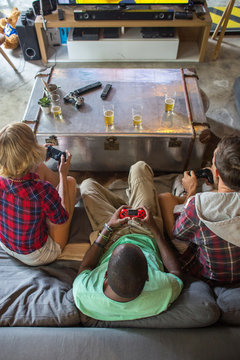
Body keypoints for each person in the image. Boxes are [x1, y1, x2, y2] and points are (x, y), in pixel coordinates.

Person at [73, 161, 183, 322]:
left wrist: (109, 227)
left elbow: (85, 266)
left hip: (111, 237)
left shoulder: (83, 293)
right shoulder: (163, 292)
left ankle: (124, 209)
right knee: (139, 167)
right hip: (147, 231)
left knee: (87, 185)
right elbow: (176, 273)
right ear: (147, 277)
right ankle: (128, 207)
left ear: (105, 275)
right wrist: (156, 230)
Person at [158, 135, 240, 285]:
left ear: (216, 173)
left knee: (165, 198)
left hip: (211, 276)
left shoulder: (197, 205)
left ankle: (181, 194)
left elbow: (178, 233)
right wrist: (213, 188)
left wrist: (190, 193)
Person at [0, 122, 76, 266]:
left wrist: (37, 157)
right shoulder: (42, 190)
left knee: (40, 167)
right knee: (70, 182)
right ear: (32, 151)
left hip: (5, 243)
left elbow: (20, 169)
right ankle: (72, 193)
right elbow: (61, 218)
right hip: (35, 255)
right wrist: (62, 175)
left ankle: (59, 193)